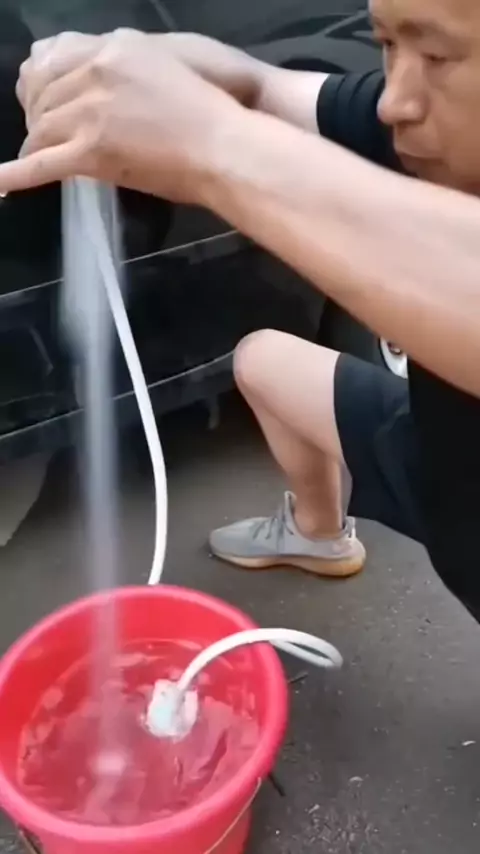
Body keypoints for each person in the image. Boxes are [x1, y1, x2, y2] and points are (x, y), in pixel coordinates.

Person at [3, 0, 480, 622]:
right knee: (263, 361)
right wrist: (192, 70)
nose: (395, 101)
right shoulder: (424, 115)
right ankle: (318, 535)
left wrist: (213, 144)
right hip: (438, 461)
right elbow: (274, 90)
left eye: (436, 54)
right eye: (388, 43)